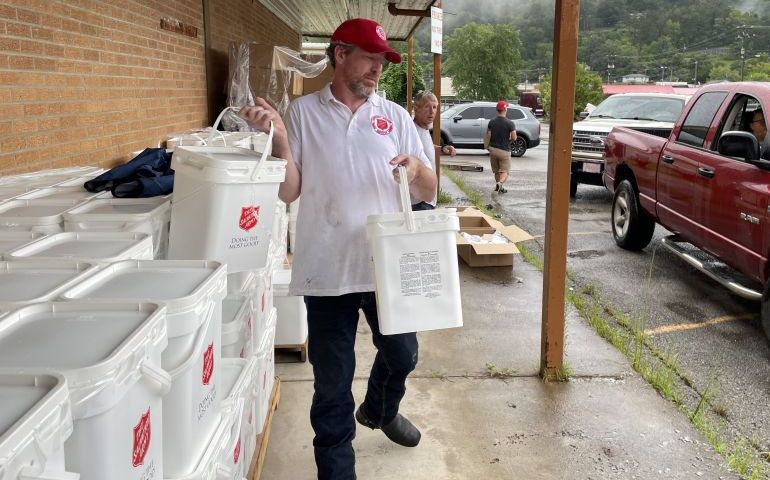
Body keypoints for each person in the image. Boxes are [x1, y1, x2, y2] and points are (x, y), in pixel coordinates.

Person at [239, 17, 437, 480]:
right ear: (340, 54)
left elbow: (430, 188)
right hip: (327, 269)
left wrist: (414, 171)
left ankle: (381, 409)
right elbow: (290, 192)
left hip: (385, 265)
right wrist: (282, 144)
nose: (377, 70)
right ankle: (336, 471)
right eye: (369, 58)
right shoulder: (304, 113)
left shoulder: (396, 116)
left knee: (404, 355)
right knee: (332, 385)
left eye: (382, 62)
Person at [411, 90, 456, 210]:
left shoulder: (423, 130)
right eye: (427, 107)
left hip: (426, 199)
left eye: (435, 107)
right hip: (418, 201)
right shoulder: (411, 131)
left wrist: (442, 149)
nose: (432, 112)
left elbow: (425, 150)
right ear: (416, 108)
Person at [485, 100, 517, 194]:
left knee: (496, 171)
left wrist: (488, 145)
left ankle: (500, 187)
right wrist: (509, 141)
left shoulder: (492, 121)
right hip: (504, 150)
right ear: (505, 109)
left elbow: (488, 133)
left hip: (493, 150)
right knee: (505, 171)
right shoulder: (510, 123)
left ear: (497, 110)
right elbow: (514, 137)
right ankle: (500, 183)